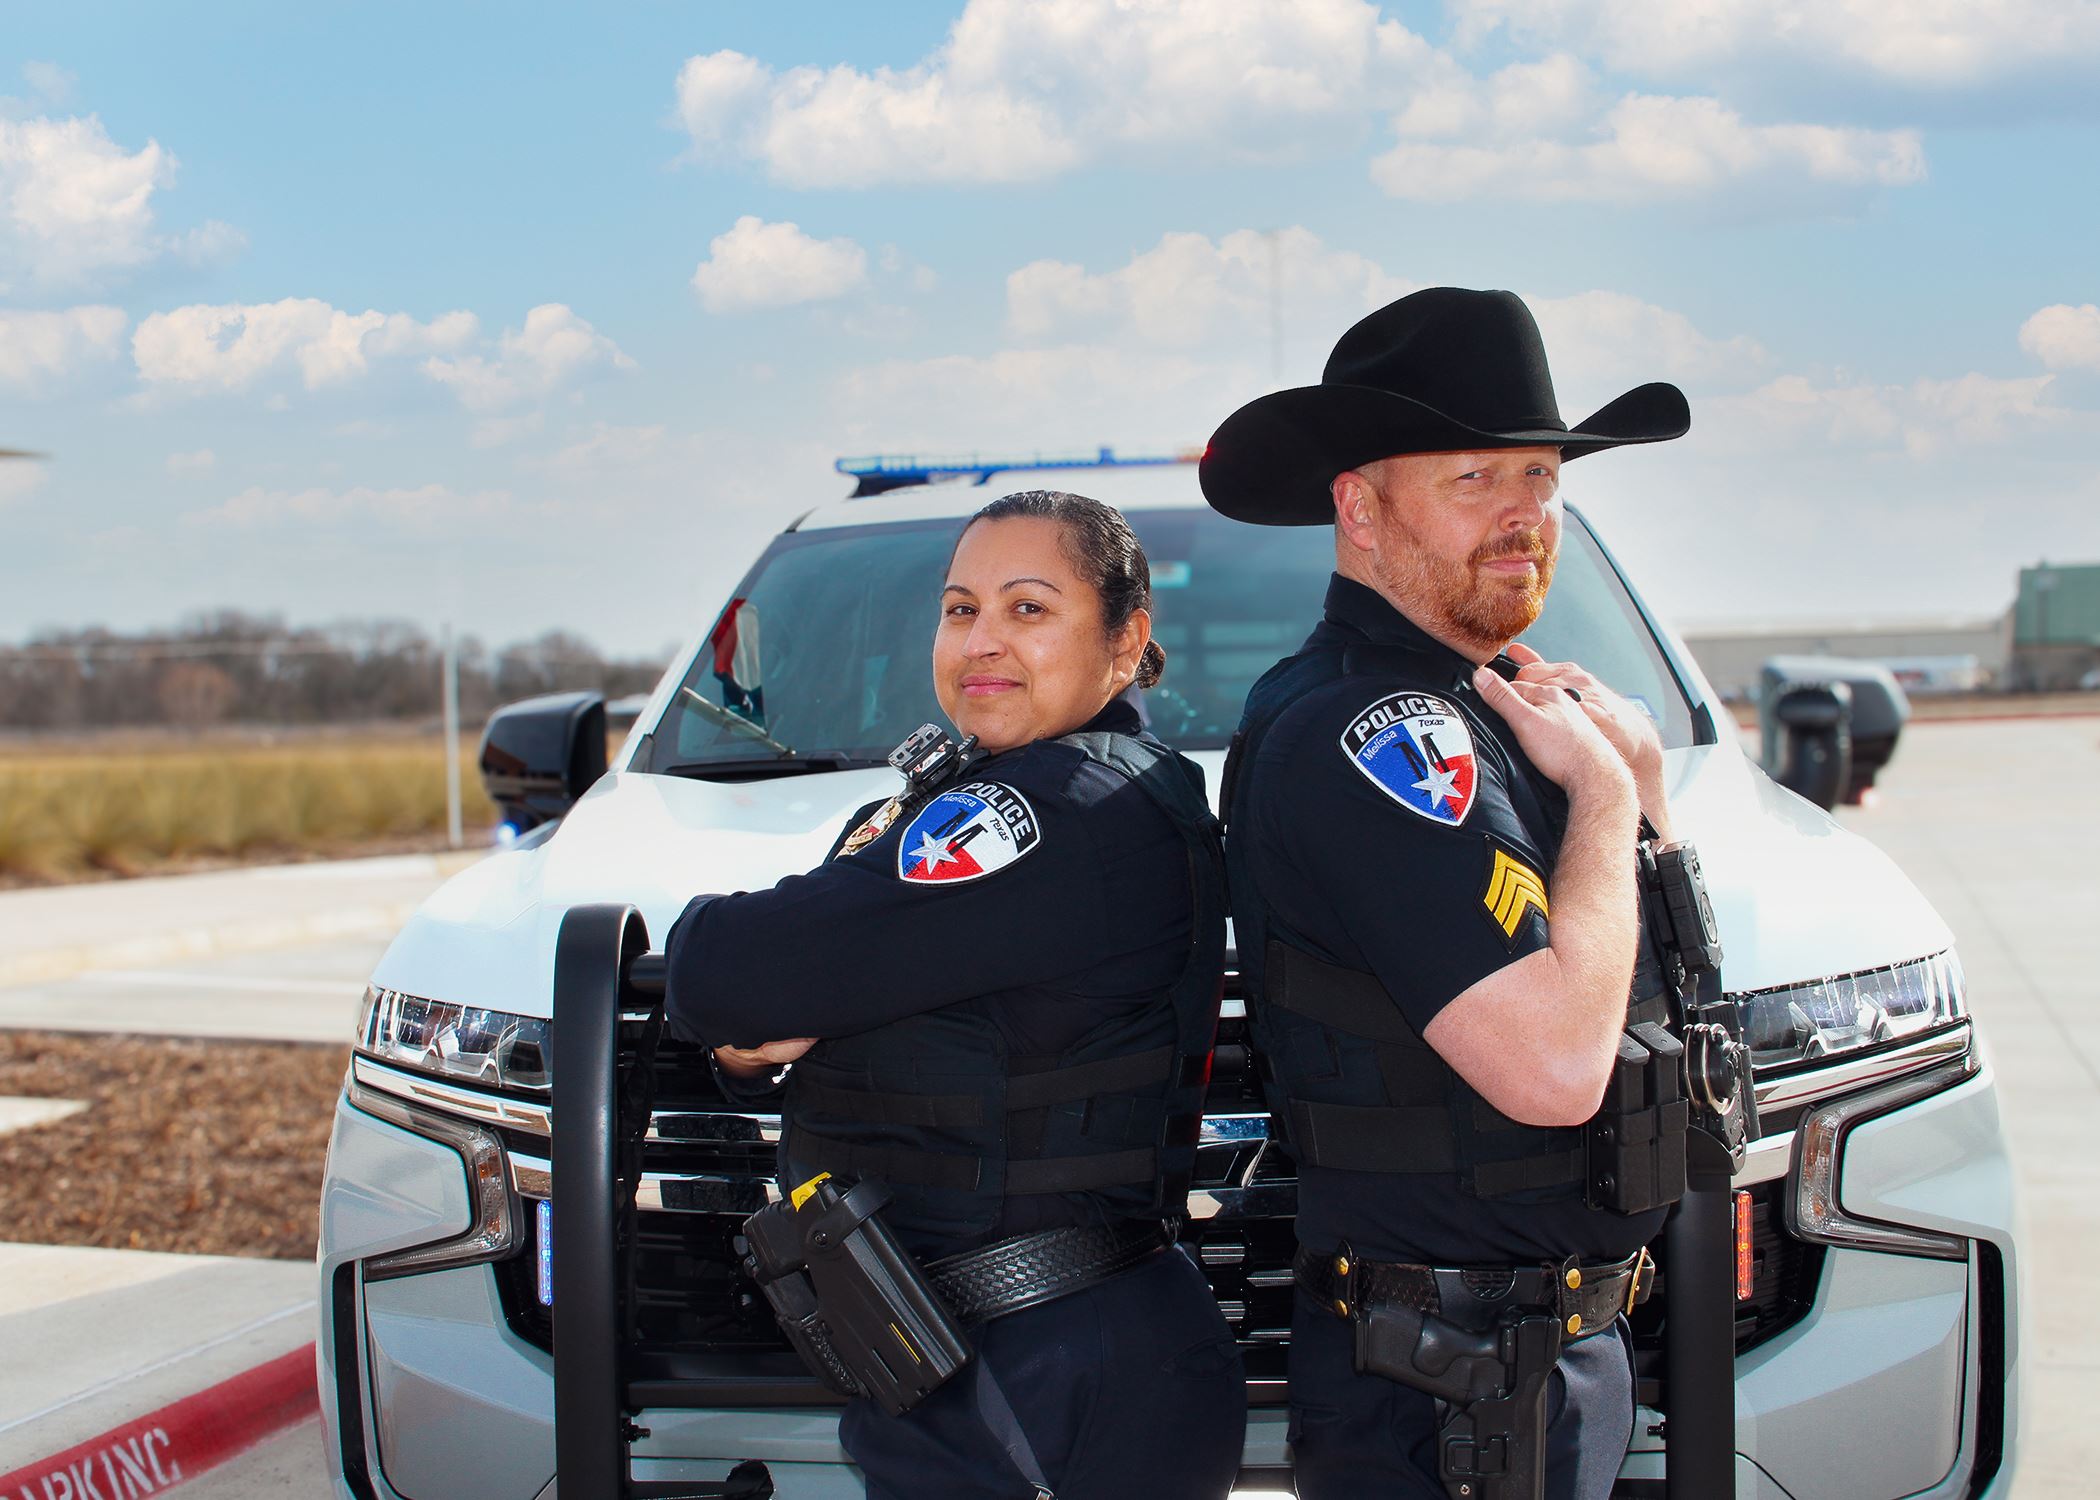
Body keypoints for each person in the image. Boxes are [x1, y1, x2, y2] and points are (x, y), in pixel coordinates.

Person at [1197, 287, 1693, 1500]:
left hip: (1533, 1360)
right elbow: (1553, 1069)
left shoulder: (1497, 708)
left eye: (1541, 475)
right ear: (1360, 509)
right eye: (1476, 480)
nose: (1526, 513)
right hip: (1447, 1394)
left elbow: (1665, 1005)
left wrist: (1639, 796)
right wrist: (1608, 806)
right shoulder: (1377, 732)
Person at [662, 490, 1247, 1500]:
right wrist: (753, 1033)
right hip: (1011, 1362)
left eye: (1028, 609)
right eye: (959, 608)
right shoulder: (1079, 789)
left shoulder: (1046, 810)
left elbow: (725, 971)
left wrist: (752, 1003)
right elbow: (792, 1001)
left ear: (1125, 639)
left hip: (1039, 1382)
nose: (982, 640)